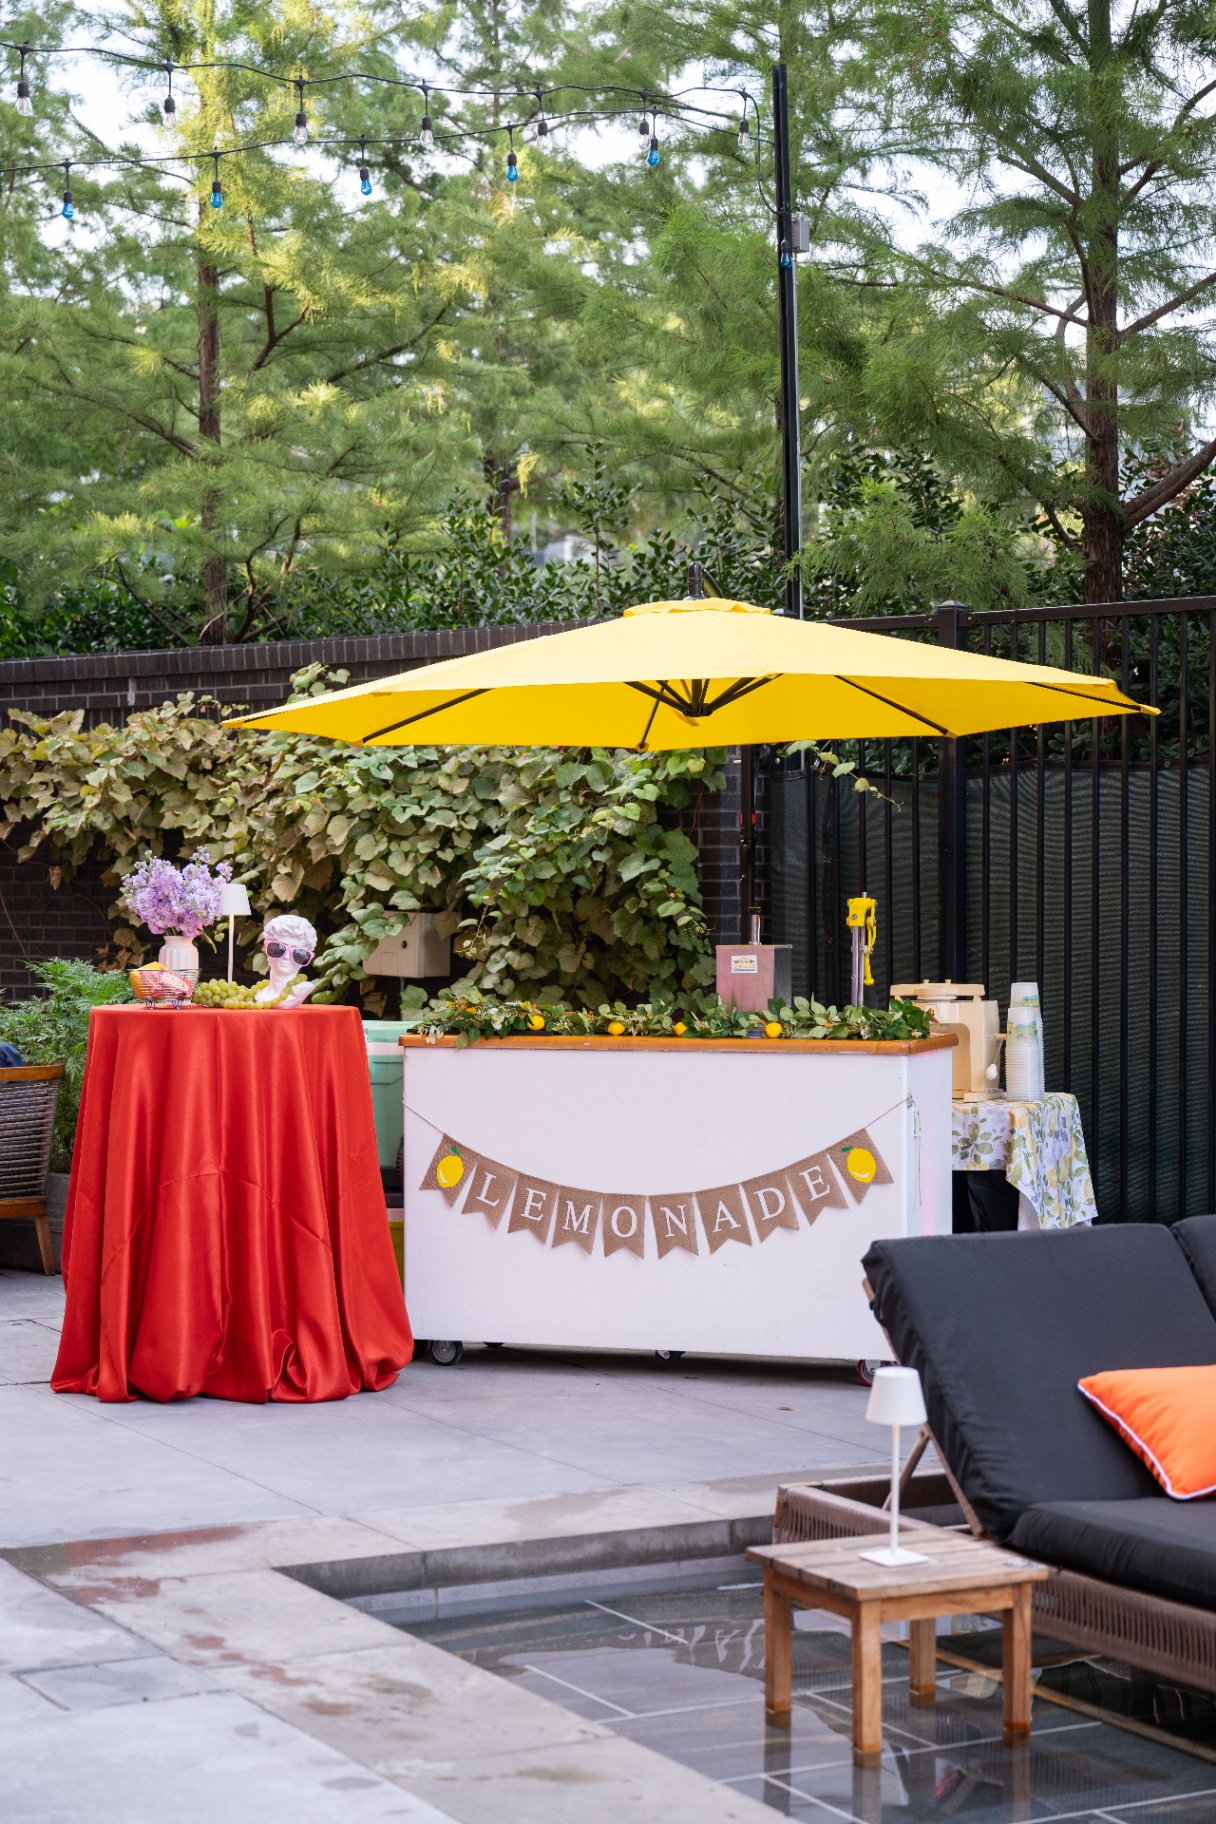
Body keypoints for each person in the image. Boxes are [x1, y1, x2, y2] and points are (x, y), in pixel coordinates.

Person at [256, 914, 318, 1008]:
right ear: (266, 948)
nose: (287, 957)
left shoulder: (302, 990)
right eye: (278, 948)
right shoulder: (258, 993)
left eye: (298, 953)